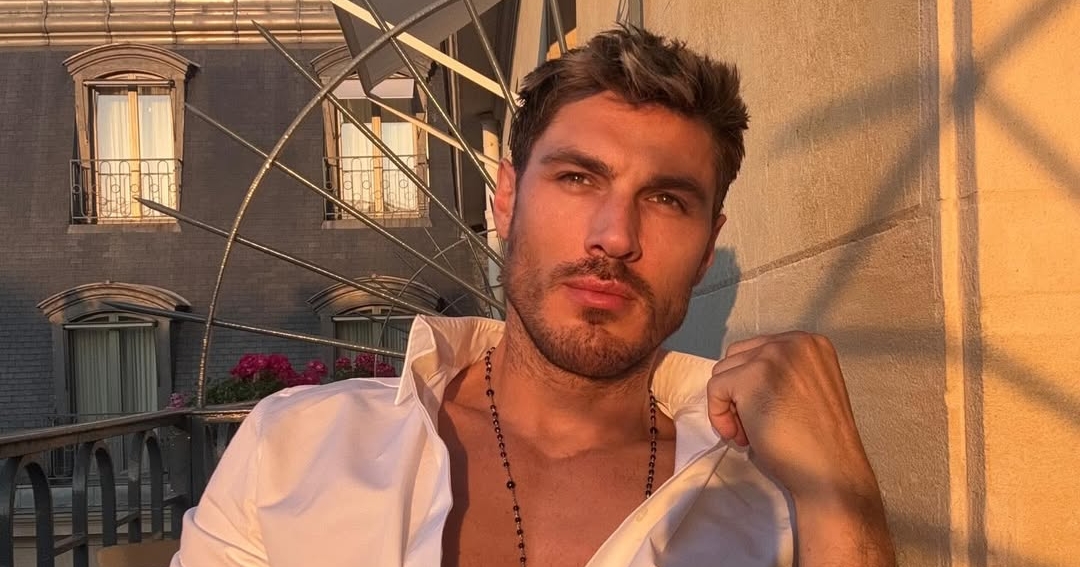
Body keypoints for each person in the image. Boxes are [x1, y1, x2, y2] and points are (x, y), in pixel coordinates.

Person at [171, 26, 895, 567]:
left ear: (707, 246)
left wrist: (846, 500)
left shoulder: (773, 506)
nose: (615, 237)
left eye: (667, 199)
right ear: (507, 199)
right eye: (577, 178)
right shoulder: (292, 452)